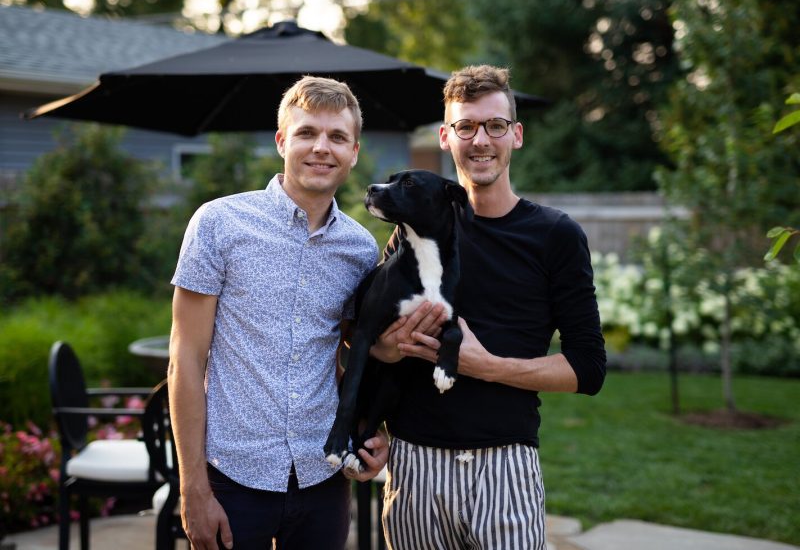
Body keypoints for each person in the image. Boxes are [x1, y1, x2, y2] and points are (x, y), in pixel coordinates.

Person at [371, 65, 607, 550]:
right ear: (445, 137)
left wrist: (488, 367)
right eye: (466, 127)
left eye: (495, 125)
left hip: (506, 466)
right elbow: (372, 343)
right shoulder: (411, 230)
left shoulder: (556, 236)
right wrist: (386, 353)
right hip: (415, 467)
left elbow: (588, 368)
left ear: (515, 135)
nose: (481, 140)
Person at [168, 75, 390, 550]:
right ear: (281, 141)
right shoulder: (218, 224)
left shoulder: (360, 248)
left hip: (322, 476)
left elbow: (357, 353)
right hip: (231, 476)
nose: (321, 148)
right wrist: (193, 489)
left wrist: (374, 430)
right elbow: (185, 357)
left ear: (354, 151)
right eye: (307, 133)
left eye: (337, 137)